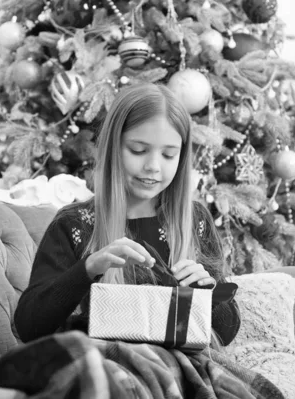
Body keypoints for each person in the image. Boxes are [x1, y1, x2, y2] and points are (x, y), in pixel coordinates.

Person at [14, 82, 241, 347]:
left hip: (177, 376)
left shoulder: (195, 220)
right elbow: (29, 327)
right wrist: (87, 270)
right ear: (113, 147)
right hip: (104, 372)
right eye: (138, 150)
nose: (153, 167)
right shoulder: (74, 225)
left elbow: (228, 331)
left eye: (169, 155)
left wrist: (208, 292)